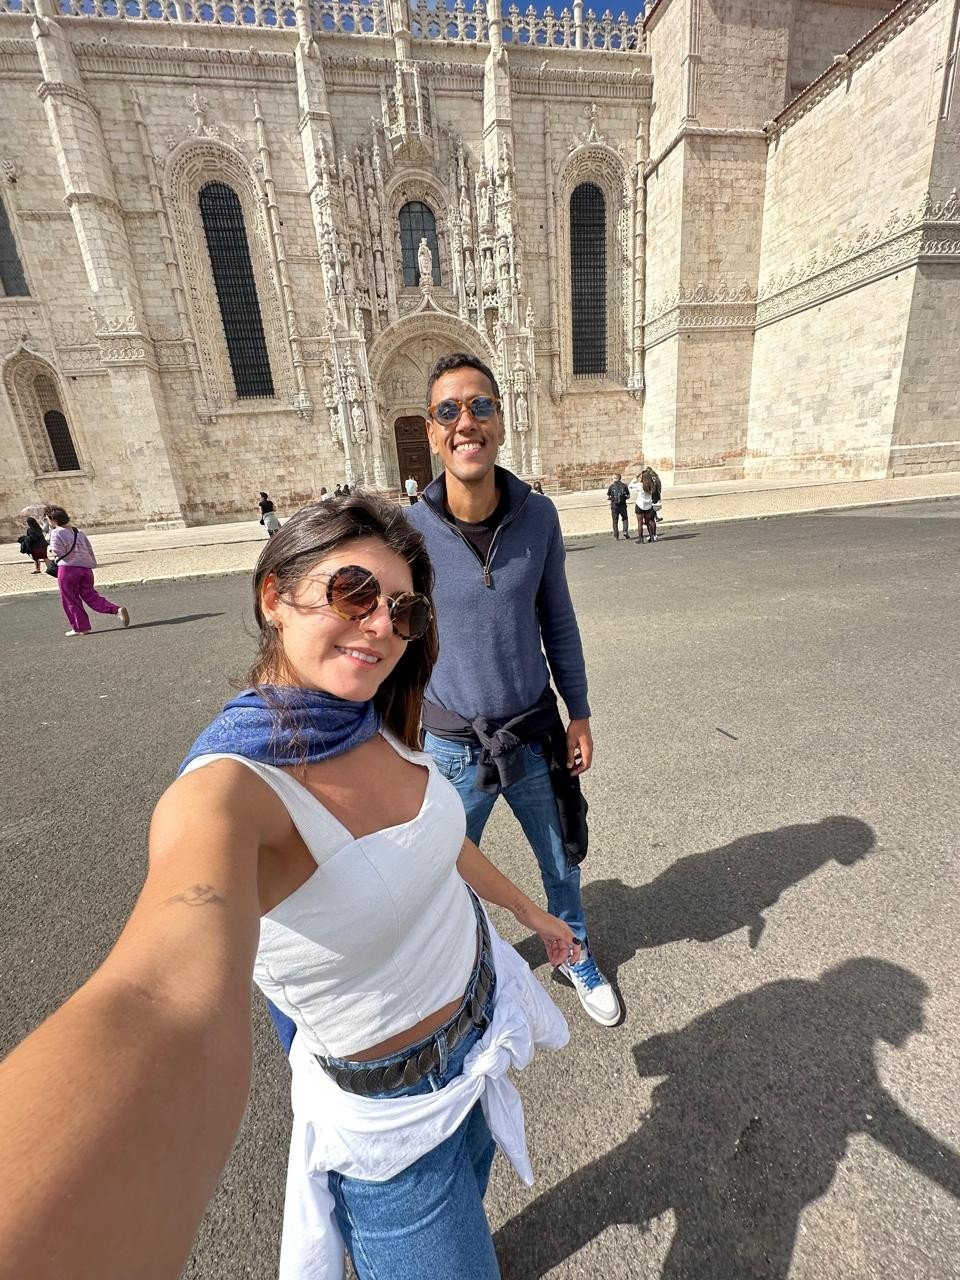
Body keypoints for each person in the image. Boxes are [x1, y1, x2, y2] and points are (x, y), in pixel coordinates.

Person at [0, 495, 576, 1280]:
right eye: (353, 593)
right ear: (274, 596)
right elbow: (159, 996)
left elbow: (430, 841)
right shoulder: (230, 792)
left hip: (482, 1039)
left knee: (472, 1208)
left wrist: (528, 908)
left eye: (403, 610)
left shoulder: (364, 714)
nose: (382, 625)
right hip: (395, 1132)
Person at [406, 353, 622, 1027]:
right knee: (442, 876)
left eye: (480, 406)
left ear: (501, 420)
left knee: (562, 862)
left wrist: (579, 712)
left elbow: (558, 619)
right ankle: (460, 975)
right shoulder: (408, 533)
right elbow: (396, 639)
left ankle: (573, 951)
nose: (465, 422)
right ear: (432, 432)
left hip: (533, 736)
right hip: (451, 748)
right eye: (448, 411)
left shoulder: (540, 516)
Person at [44, 505, 129, 636]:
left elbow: (58, 551)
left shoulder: (56, 532)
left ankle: (80, 627)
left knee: (70, 599)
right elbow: (89, 549)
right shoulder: (79, 532)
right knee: (90, 595)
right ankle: (116, 610)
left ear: (53, 519)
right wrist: (92, 564)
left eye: (47, 519)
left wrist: (50, 548)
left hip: (68, 569)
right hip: (85, 569)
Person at [629, 469, 658, 543]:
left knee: (640, 523)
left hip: (640, 505)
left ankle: (641, 539)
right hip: (648, 506)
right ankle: (652, 537)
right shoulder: (652, 485)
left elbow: (630, 486)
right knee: (648, 522)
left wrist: (636, 477)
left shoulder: (639, 485)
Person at [606, 472, 631, 540]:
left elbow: (608, 496)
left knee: (615, 521)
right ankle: (625, 531)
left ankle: (616, 535)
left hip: (614, 506)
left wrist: (611, 499)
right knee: (625, 518)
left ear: (616, 479)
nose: (613, 479)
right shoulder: (624, 486)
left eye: (613, 478)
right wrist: (624, 498)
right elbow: (628, 495)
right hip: (623, 505)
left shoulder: (611, 486)